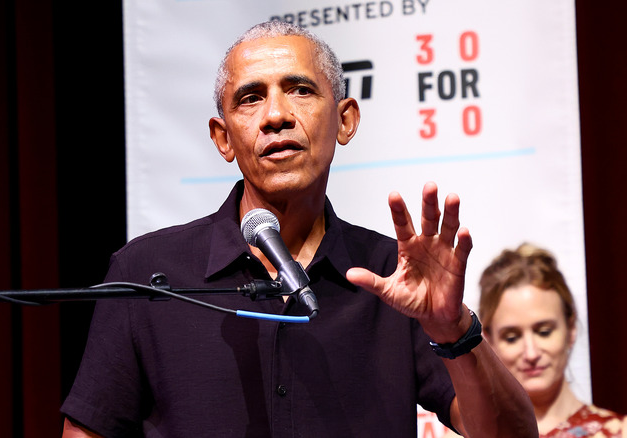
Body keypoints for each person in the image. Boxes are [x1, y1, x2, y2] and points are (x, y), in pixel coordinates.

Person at [61, 21, 536, 438]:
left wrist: (453, 329)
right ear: (223, 138)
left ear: (345, 120)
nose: (275, 115)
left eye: (301, 90)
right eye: (250, 98)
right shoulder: (146, 272)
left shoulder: (393, 276)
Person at [474, 243, 627, 437]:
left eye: (544, 332)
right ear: (490, 342)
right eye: (512, 338)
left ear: (571, 330)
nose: (531, 353)